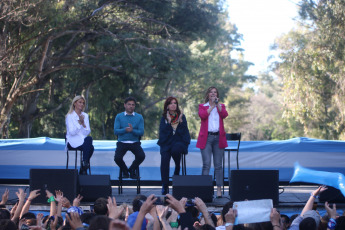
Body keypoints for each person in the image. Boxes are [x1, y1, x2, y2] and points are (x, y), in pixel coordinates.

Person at [196, 86, 228, 198]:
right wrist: (212, 106)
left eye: (215, 92)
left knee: (218, 165)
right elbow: (203, 116)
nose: (213, 94)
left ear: (217, 95)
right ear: (208, 94)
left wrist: (217, 105)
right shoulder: (202, 106)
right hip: (206, 138)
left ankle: (219, 189)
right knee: (206, 164)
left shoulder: (221, 106)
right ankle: (204, 189)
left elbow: (224, 114)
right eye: (211, 92)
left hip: (218, 137)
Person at [157, 96, 191, 195]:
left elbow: (184, 133)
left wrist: (180, 122)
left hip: (179, 142)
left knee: (176, 149)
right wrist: (168, 122)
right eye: (171, 103)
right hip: (167, 143)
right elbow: (163, 133)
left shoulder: (181, 116)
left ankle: (177, 168)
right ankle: (165, 185)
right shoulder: (164, 117)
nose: (173, 105)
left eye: (175, 103)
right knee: (164, 158)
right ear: (167, 106)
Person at [114, 97, 145, 179]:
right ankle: (125, 171)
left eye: (133, 105)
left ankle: (131, 170)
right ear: (125, 105)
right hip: (122, 142)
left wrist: (132, 130)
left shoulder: (139, 117)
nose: (131, 106)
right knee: (117, 158)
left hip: (135, 142)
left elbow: (141, 132)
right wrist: (125, 130)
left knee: (141, 156)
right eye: (129, 104)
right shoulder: (119, 116)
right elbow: (116, 131)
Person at [65, 95, 94, 175]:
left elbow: (87, 132)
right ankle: (84, 168)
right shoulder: (69, 116)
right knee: (90, 148)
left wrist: (83, 123)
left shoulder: (85, 116)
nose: (82, 104)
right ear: (75, 103)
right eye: (80, 102)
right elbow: (71, 132)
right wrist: (79, 123)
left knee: (89, 139)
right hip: (73, 141)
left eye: (83, 103)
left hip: (83, 141)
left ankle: (84, 165)